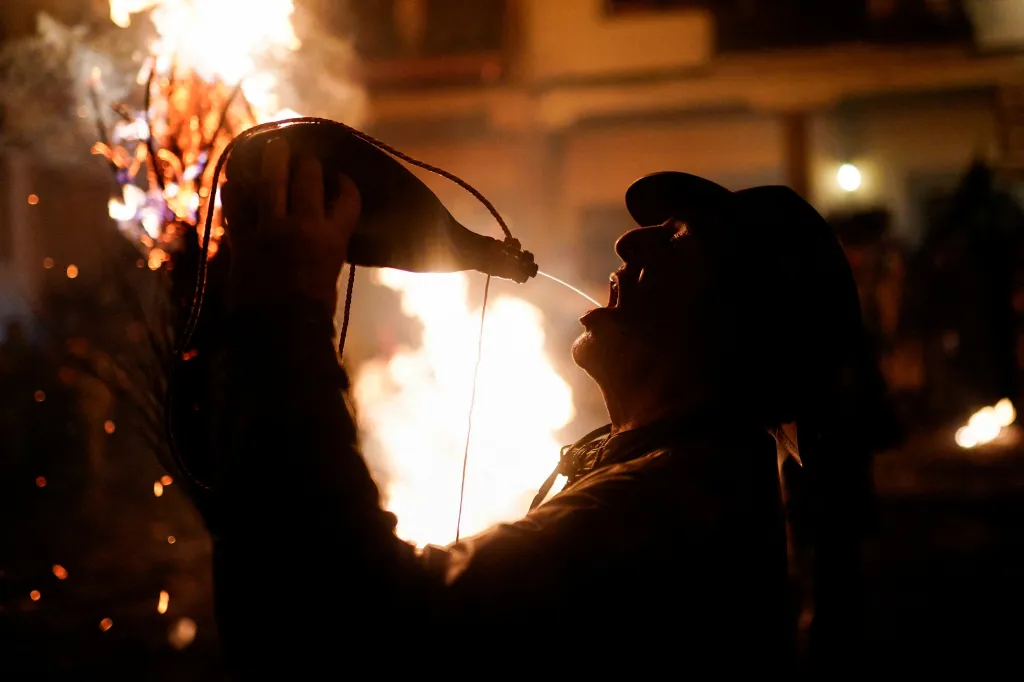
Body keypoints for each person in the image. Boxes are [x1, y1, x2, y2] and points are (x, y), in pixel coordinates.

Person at [201, 138, 877, 672]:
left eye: (678, 238)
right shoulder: (688, 481)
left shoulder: (664, 512)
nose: (628, 241)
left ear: (740, 323)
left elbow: (361, 625)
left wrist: (285, 313)